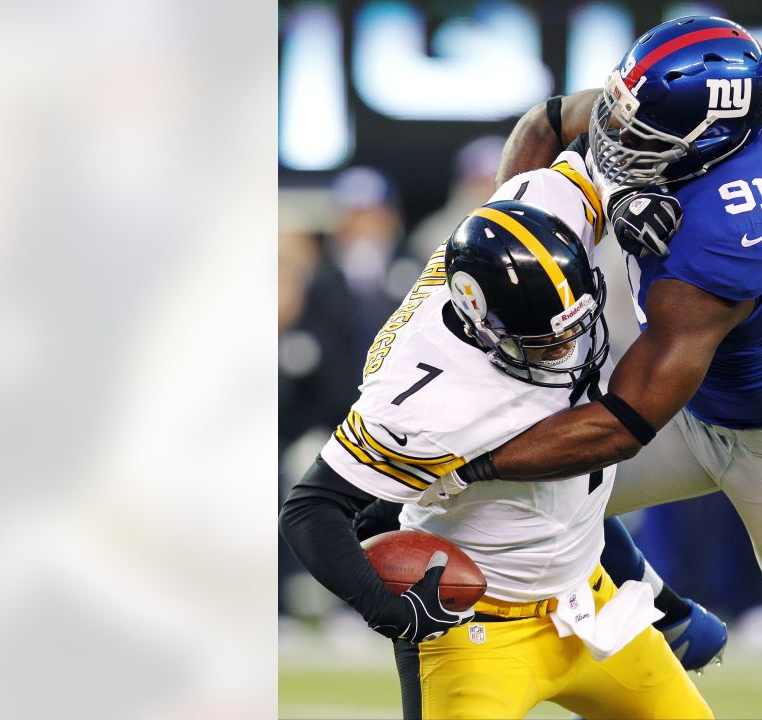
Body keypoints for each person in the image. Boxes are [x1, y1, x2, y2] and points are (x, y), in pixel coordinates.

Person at [445, 16, 762, 719]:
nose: (617, 142)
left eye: (644, 142)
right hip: (699, 410)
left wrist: (470, 461)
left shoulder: (733, 236)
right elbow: (546, 122)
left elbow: (625, 423)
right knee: (523, 502)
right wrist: (511, 224)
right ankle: (668, 616)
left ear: (709, 144)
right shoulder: (688, 121)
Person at [279, 148, 713, 719]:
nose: (566, 352)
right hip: (479, 632)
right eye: (543, 342)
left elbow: (578, 127)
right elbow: (309, 509)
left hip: (589, 603)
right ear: (482, 322)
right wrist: (389, 610)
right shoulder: (425, 396)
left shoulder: (547, 207)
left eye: (572, 331)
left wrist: (628, 196)